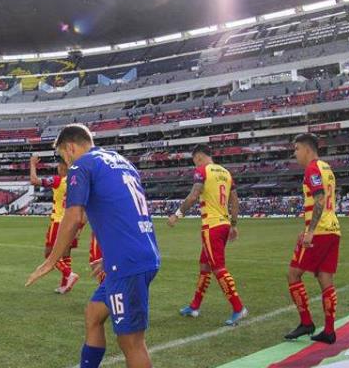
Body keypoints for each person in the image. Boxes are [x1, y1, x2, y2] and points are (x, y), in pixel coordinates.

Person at [26, 124, 160, 368]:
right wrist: (110, 258)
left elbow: (74, 217)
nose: (64, 161)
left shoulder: (81, 164)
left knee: (131, 342)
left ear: (70, 147)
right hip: (135, 255)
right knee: (93, 314)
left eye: (61, 155)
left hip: (127, 263)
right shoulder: (120, 161)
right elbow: (123, 210)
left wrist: (51, 261)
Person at [168, 145, 247, 326]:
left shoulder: (202, 171)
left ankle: (238, 307)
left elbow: (194, 195)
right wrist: (234, 225)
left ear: (199, 157)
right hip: (224, 224)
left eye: (195, 160)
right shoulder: (226, 173)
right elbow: (234, 200)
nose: (195, 164)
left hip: (212, 226)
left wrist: (177, 214)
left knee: (218, 268)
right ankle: (194, 306)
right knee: (205, 265)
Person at [284, 133, 341, 344]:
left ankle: (306, 322)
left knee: (293, 274)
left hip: (320, 232)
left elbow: (319, 200)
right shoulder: (327, 168)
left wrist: (311, 231)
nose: (295, 153)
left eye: (296, 149)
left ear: (307, 149)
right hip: (333, 229)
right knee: (325, 279)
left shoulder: (312, 169)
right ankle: (329, 331)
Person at [30, 155, 83, 294]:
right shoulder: (76, 182)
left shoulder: (58, 180)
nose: (57, 169)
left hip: (59, 221)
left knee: (49, 254)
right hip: (72, 222)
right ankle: (65, 285)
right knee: (66, 254)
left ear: (63, 168)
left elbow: (34, 180)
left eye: (59, 167)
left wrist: (32, 164)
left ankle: (69, 274)